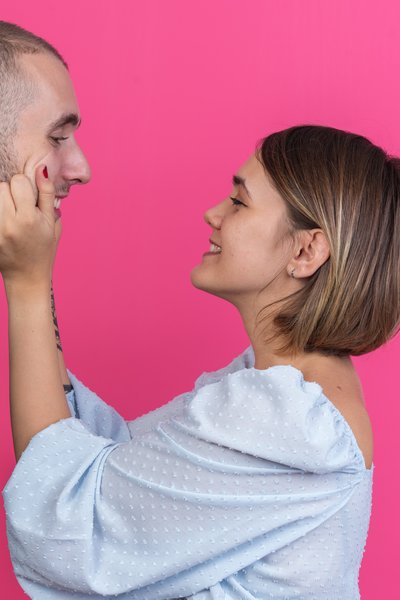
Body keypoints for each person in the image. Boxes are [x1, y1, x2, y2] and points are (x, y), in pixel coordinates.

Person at [1, 23, 399, 600]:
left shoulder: (288, 418)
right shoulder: (275, 393)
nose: (213, 214)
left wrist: (29, 285)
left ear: (306, 251)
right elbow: (110, 457)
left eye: (239, 201)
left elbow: (67, 526)